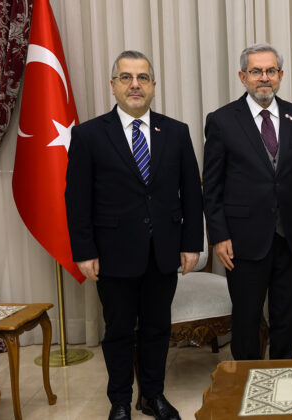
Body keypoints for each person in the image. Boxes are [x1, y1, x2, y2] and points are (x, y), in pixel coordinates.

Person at [66, 50, 203, 420]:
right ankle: (121, 401)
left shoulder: (176, 132)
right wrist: (83, 251)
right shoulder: (89, 135)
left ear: (154, 86)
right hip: (113, 253)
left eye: (142, 78)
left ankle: (153, 396)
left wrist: (192, 243)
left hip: (163, 251)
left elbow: (192, 192)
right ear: (113, 86)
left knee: (158, 328)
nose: (135, 85)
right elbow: (77, 199)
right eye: (126, 78)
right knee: (119, 331)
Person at [203, 43, 292, 361]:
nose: (263, 78)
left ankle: (282, 373)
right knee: (247, 317)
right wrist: (219, 237)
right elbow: (211, 187)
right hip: (242, 240)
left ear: (280, 75)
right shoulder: (222, 121)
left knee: (287, 315)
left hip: (290, 236)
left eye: (270, 71)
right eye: (256, 71)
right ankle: (247, 382)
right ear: (243, 76)